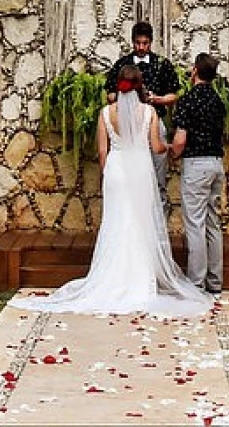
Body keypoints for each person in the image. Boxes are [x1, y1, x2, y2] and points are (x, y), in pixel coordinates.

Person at [32, 61, 212, 317]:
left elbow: (103, 151)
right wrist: (171, 148)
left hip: (116, 170)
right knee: (140, 223)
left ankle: (112, 278)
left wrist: (109, 173)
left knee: (116, 222)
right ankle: (139, 281)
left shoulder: (106, 113)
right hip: (140, 169)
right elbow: (156, 147)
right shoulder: (149, 112)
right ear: (140, 86)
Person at [169, 51, 228, 294]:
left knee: (195, 223)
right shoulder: (218, 101)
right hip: (216, 164)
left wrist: (173, 152)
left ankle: (196, 282)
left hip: (196, 164)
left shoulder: (188, 100)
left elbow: (181, 139)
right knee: (213, 222)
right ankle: (215, 281)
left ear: (195, 71)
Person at [114, 21, 181, 198]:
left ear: (151, 42)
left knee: (159, 172)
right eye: (137, 43)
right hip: (128, 124)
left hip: (154, 121)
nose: (141, 47)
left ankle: (160, 215)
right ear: (132, 41)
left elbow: (174, 95)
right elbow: (110, 95)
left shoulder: (162, 64)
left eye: (145, 43)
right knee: (130, 172)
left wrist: (157, 99)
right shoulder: (122, 64)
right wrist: (129, 97)